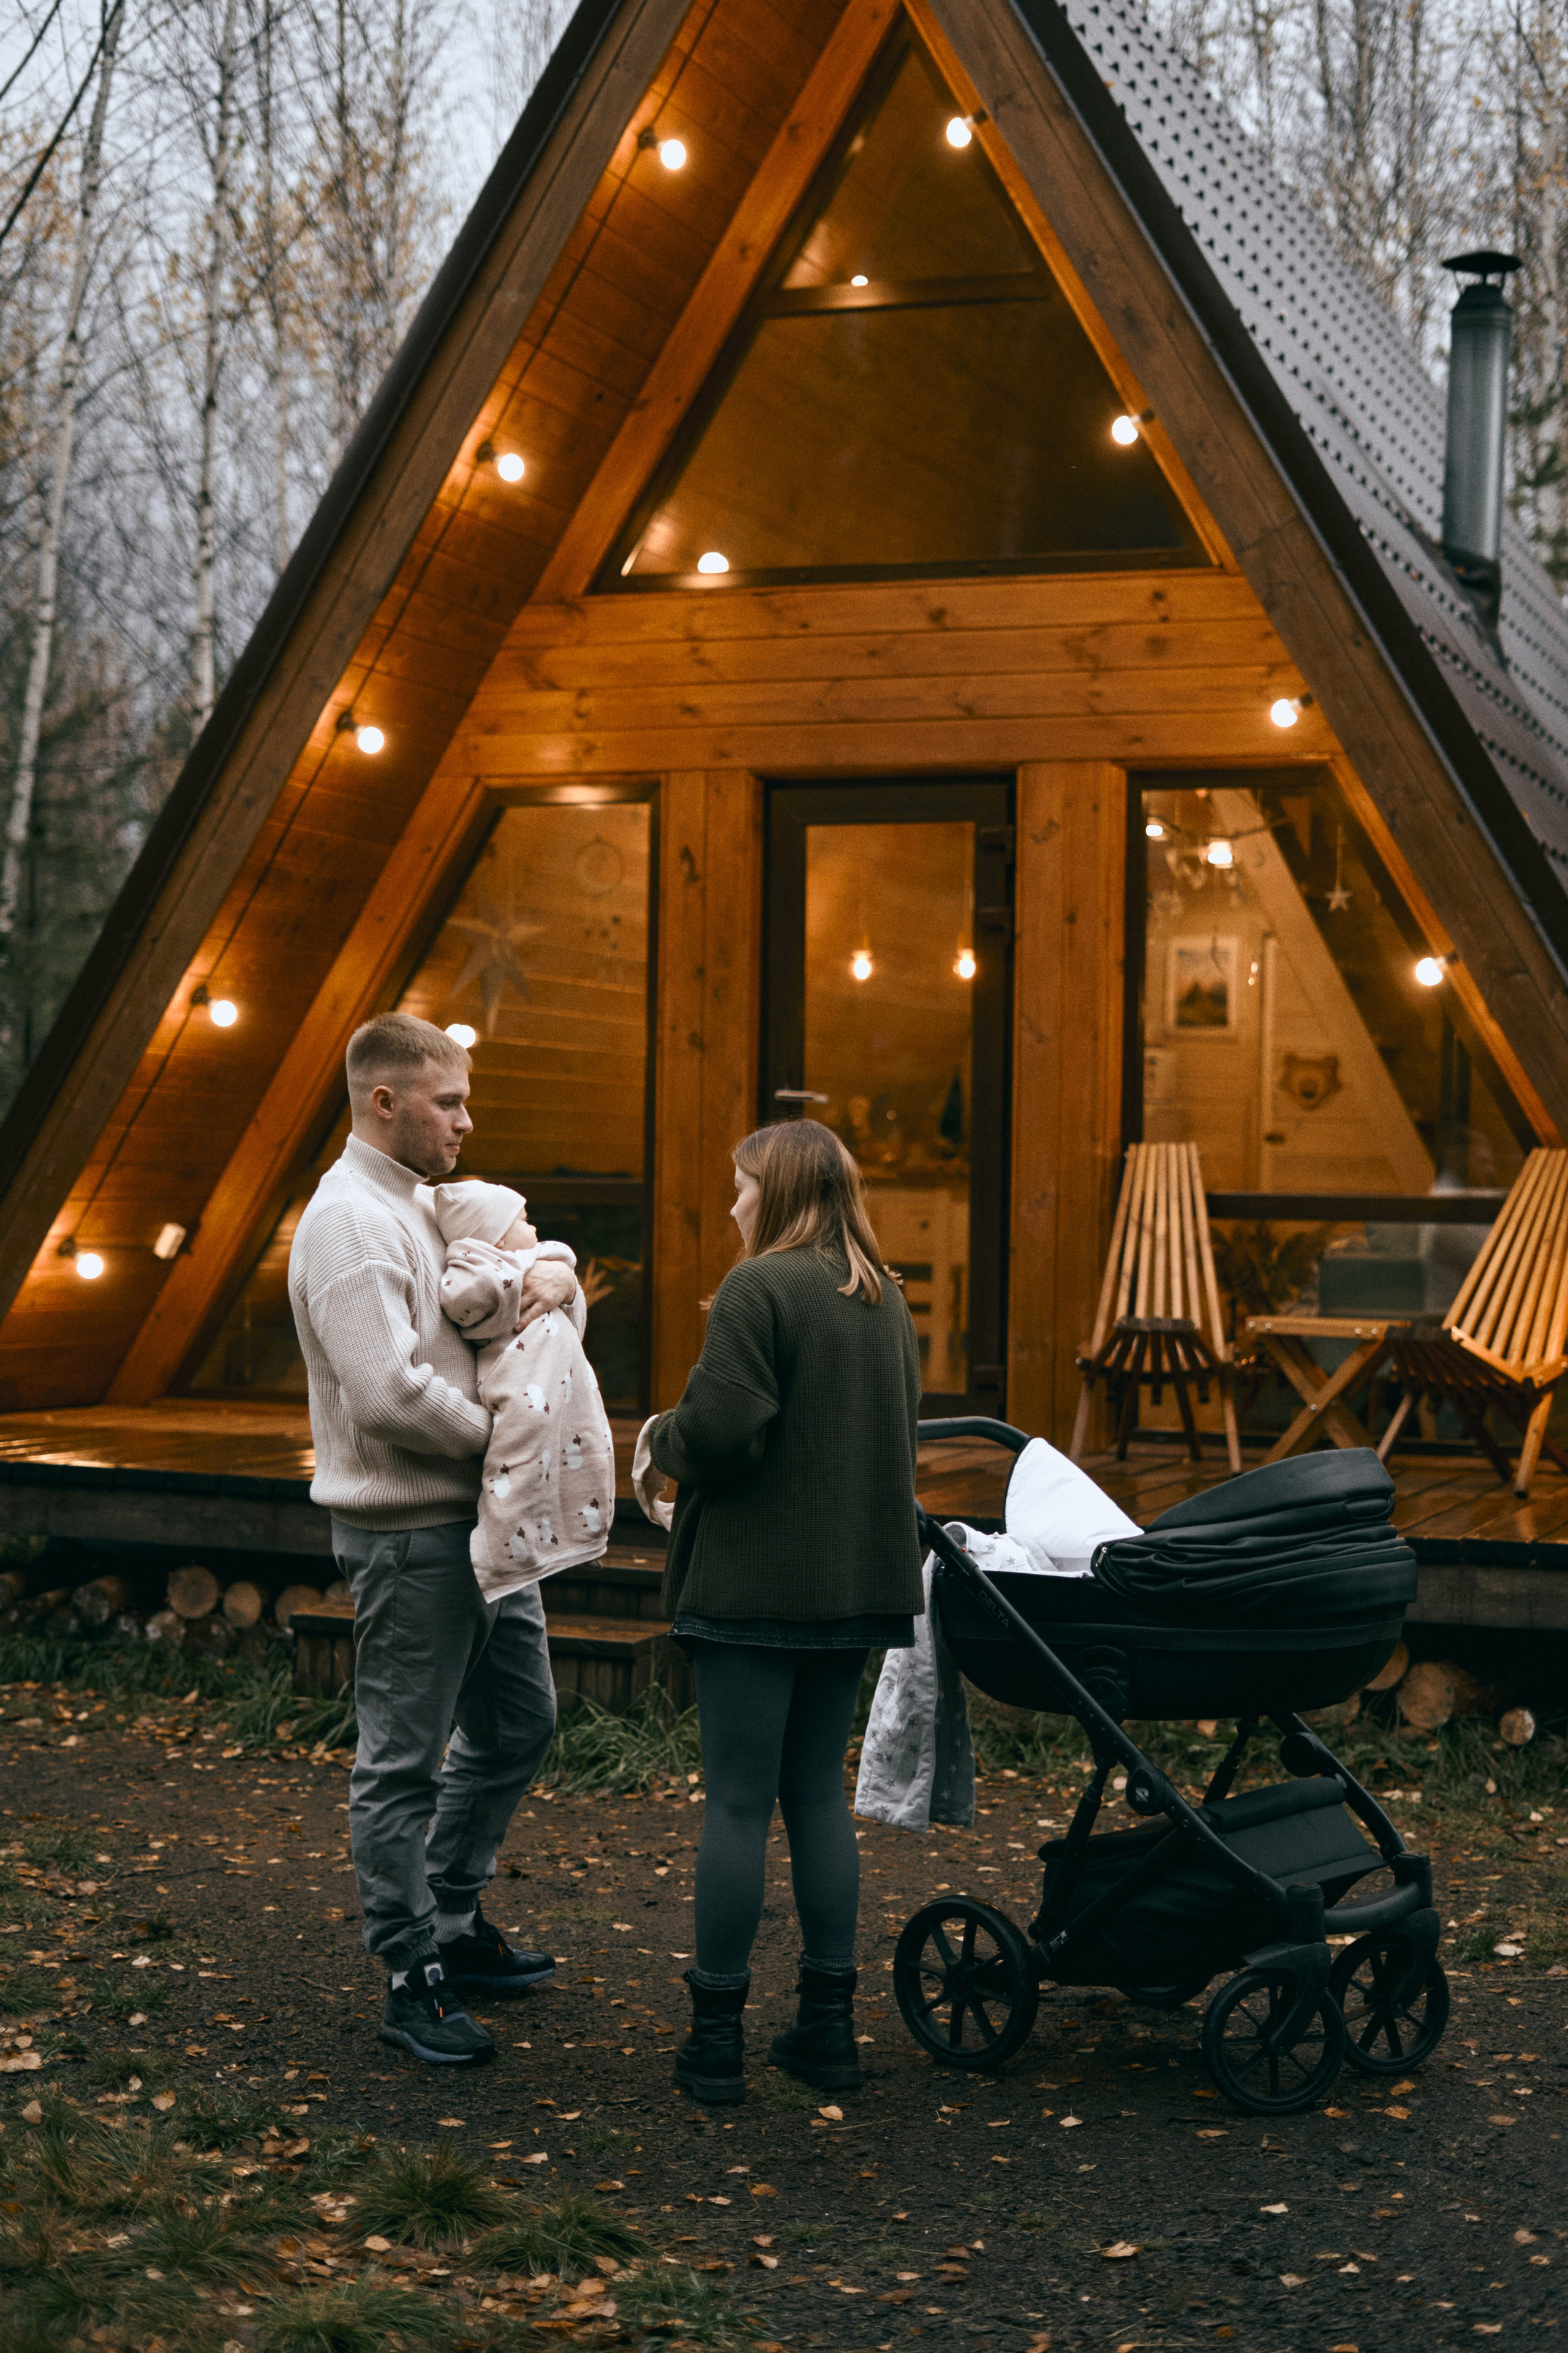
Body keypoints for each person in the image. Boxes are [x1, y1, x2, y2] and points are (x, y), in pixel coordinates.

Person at [287, 1013, 580, 2065]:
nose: (467, 1119)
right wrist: (504, 1440)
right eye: (448, 1101)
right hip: (409, 1536)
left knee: (519, 1725)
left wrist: (549, 1266)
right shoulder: (346, 1225)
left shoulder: (419, 1197)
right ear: (384, 1101)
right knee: (402, 1761)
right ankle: (411, 1975)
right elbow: (387, 1395)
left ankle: (452, 1919)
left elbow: (532, 1252)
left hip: (479, 1523)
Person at [641, 1118, 924, 2104]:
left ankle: (715, 2042)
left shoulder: (761, 1288)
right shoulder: (885, 1301)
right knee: (814, 1798)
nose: (731, 1204)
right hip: (850, 1587)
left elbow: (721, 1433)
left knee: (733, 1801)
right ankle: (827, 2031)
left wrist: (656, 1438)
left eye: (741, 1185)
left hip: (756, 1587)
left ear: (785, 1190)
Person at [431, 1176, 616, 1592]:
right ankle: (500, 1555)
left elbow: (568, 1309)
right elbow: (464, 1299)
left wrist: (563, 1282)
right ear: (494, 1236)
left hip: (563, 1388)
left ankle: (582, 1538)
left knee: (590, 1453)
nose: (534, 1228)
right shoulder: (478, 1269)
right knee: (519, 1468)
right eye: (524, 1219)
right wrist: (515, 1277)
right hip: (521, 1386)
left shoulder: (538, 1263)